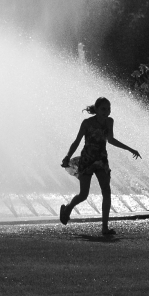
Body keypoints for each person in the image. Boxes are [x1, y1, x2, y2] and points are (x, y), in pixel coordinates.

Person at [59, 97, 141, 235]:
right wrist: (67, 156)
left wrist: (130, 149)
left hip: (101, 160)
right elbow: (77, 141)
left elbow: (111, 140)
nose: (107, 111)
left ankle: (104, 228)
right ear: (96, 109)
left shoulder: (109, 121)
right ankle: (67, 209)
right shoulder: (86, 123)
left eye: (108, 109)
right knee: (84, 195)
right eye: (103, 109)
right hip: (87, 160)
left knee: (106, 192)